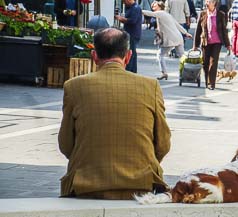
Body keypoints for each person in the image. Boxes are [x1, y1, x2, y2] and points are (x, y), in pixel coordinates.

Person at [58, 28, 171, 199]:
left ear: (94, 56)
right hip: (140, 187)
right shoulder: (151, 86)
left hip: (86, 186)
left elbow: (66, 144)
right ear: (128, 56)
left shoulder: (74, 86)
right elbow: (163, 144)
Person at [142, 1, 192, 80]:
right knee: (182, 57)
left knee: (160, 54)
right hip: (178, 38)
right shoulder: (167, 14)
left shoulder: (160, 13)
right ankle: (189, 73)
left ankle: (164, 73)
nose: (152, 5)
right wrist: (185, 33)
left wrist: (139, 10)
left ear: (159, 6)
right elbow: (177, 25)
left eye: (154, 4)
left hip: (171, 39)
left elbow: (150, 14)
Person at [193, 0, 231, 90]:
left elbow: (224, 30)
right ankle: (207, 82)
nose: (207, 3)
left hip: (217, 42)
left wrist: (228, 44)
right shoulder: (202, 14)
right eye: (206, 1)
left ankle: (211, 83)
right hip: (205, 42)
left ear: (214, 3)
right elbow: (198, 30)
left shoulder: (221, 14)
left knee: (213, 63)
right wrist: (195, 44)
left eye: (209, 1)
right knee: (205, 64)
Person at [114, 0, 142, 73]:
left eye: (124, 1)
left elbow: (133, 21)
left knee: (130, 52)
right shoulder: (131, 8)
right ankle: (132, 70)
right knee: (132, 52)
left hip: (133, 33)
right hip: (131, 32)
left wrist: (121, 19)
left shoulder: (135, 8)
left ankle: (129, 69)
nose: (124, 3)